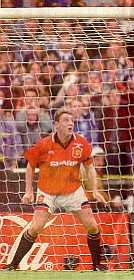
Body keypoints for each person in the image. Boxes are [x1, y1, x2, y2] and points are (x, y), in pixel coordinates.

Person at [2, 108, 108, 271]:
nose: (70, 123)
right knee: (35, 227)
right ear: (56, 124)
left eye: (71, 120)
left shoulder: (81, 143)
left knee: (93, 226)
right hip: (48, 192)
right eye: (66, 120)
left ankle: (98, 266)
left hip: (73, 191)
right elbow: (30, 166)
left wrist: (94, 190)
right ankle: (12, 265)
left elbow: (89, 167)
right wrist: (28, 190)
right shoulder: (43, 144)